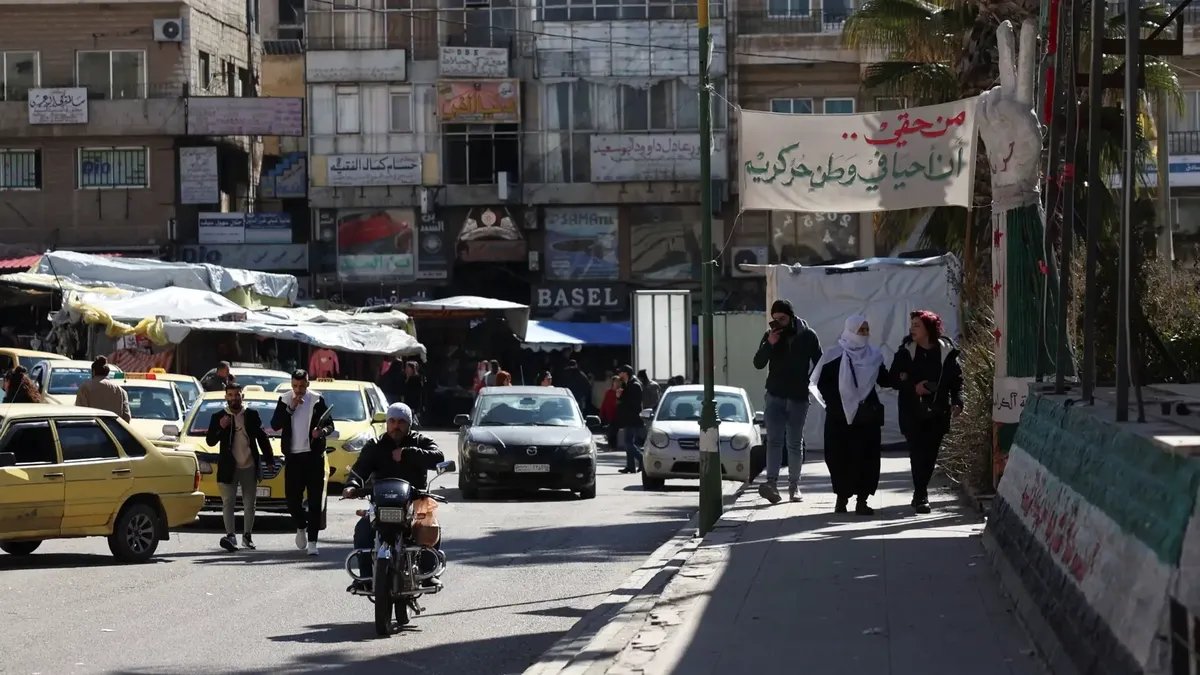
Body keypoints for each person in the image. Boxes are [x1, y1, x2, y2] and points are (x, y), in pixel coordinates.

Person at [343, 402, 445, 592]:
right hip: (382, 502)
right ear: (386, 423)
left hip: (414, 501)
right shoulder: (375, 445)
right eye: (392, 421)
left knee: (429, 527)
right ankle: (365, 576)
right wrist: (352, 485)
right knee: (363, 530)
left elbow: (438, 457)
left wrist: (408, 453)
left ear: (408, 424)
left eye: (401, 422)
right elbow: (360, 469)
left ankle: (428, 574)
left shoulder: (420, 441)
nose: (396, 425)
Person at [810, 314, 890, 516]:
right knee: (838, 457)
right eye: (860, 330)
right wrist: (841, 403)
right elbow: (822, 383)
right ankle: (842, 497)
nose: (864, 334)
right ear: (850, 331)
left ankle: (862, 500)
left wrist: (906, 374)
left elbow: (885, 379)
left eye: (866, 330)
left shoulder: (873, 356)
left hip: (865, 417)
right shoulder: (833, 355)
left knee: (867, 457)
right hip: (839, 417)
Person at [889, 310, 964, 514]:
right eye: (911, 324)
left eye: (917, 325)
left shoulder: (946, 351)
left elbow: (957, 380)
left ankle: (920, 491)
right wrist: (913, 386)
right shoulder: (906, 351)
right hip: (911, 410)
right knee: (916, 452)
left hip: (938, 410)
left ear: (929, 328)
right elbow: (892, 379)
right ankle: (921, 494)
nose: (912, 329)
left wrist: (958, 401)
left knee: (930, 453)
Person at [752, 299, 823, 504]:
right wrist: (769, 345)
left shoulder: (808, 336)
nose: (778, 324)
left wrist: (810, 383)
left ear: (791, 317)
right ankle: (771, 484)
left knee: (794, 442)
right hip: (775, 395)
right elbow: (758, 363)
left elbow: (820, 362)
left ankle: (794, 486)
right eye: (774, 320)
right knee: (774, 441)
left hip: (798, 398)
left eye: (782, 319)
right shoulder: (770, 336)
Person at [270, 369, 335, 556]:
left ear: (308, 384)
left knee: (315, 502)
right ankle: (301, 525)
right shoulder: (284, 400)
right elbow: (275, 424)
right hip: (293, 458)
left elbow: (330, 425)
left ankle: (313, 542)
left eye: (302, 386)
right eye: (295, 386)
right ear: (292, 385)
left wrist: (320, 432)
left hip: (314, 458)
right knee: (292, 501)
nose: (299, 390)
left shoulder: (317, 400)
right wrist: (291, 408)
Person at [205, 383, 274, 551]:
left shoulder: (252, 415)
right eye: (230, 395)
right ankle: (230, 536)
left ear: (242, 396)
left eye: (237, 394)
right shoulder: (218, 416)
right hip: (229, 467)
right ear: (226, 397)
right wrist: (221, 427)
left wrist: (269, 460)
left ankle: (247, 537)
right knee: (228, 502)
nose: (234, 398)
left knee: (250, 503)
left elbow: (262, 438)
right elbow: (210, 441)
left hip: (249, 465)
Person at [75, 356, 131, 422]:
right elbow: (127, 417)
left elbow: (80, 414)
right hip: (114, 430)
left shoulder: (85, 388)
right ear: (107, 372)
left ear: (93, 371)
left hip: (93, 429)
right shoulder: (120, 390)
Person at [615, 365, 644, 474]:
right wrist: (619, 396)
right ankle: (630, 466)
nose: (619, 375)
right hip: (628, 417)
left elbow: (634, 403)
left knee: (628, 442)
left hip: (633, 418)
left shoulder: (635, 385)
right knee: (629, 442)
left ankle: (642, 459)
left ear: (626, 373)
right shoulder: (628, 384)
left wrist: (621, 398)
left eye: (620, 372)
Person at [600, 375, 620, 447]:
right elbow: (604, 403)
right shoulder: (608, 392)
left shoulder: (621, 392)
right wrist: (602, 414)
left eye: (618, 382)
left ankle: (614, 445)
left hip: (618, 415)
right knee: (610, 430)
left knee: (615, 431)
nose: (617, 383)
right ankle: (611, 444)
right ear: (613, 383)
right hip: (609, 415)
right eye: (616, 382)